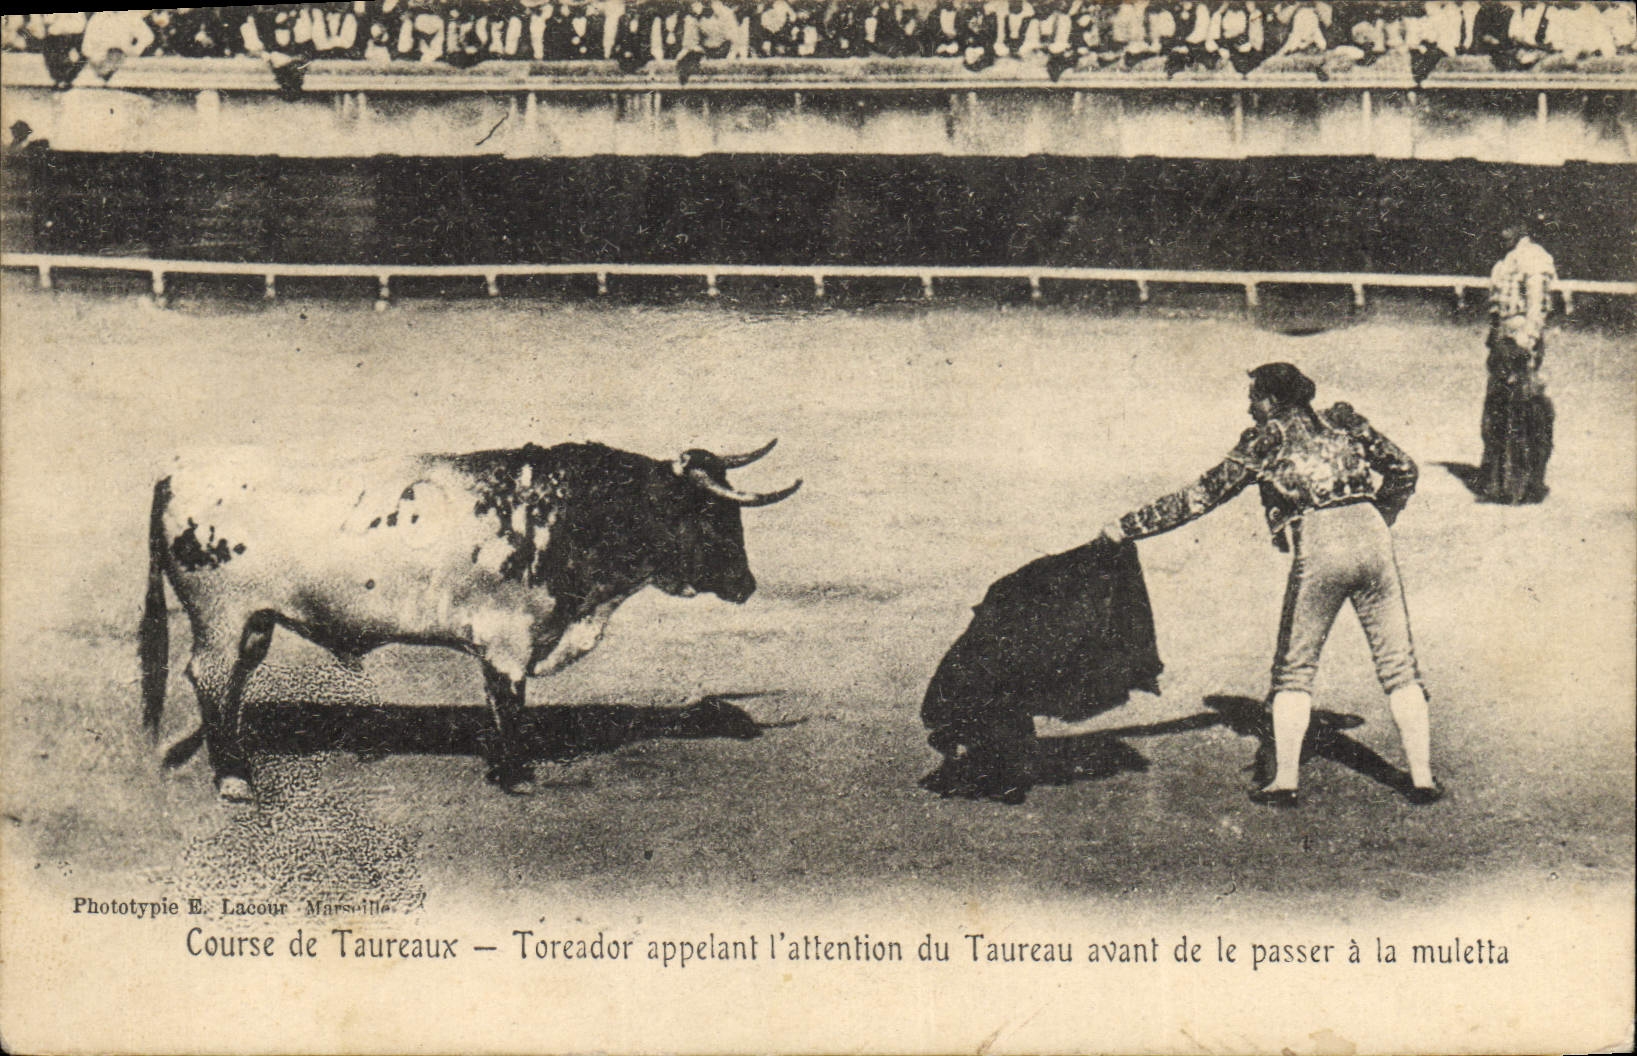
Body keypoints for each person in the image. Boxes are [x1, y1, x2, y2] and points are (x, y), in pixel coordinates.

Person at [1098, 363, 1441, 807]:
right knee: (1398, 664)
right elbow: (1404, 468)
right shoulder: (1344, 422)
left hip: (1321, 539)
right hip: (1373, 535)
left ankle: (1284, 781)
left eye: (1254, 398)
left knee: (1294, 669)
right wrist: (1383, 512)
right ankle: (1422, 778)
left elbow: (1198, 497)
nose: (1249, 407)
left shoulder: (1266, 441)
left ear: (1273, 400)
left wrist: (1126, 527)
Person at [1480, 224, 1557, 505]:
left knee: (1524, 413)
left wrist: (1528, 340)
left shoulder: (1534, 257)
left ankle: (1523, 486)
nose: (1500, 234)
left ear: (1521, 228)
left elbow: (1537, 306)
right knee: (1499, 412)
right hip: (1503, 342)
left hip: (1521, 342)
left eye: (1507, 228)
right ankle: (1499, 484)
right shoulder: (1505, 261)